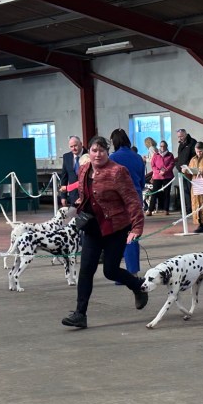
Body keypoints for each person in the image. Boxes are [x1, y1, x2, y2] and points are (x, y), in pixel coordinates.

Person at [61, 135, 147, 329]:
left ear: (108, 152)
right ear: (89, 151)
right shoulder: (84, 169)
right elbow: (84, 195)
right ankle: (80, 314)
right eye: (94, 150)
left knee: (110, 271)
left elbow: (132, 200)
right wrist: (75, 209)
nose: (98, 154)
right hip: (93, 228)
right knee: (86, 270)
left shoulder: (118, 171)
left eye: (101, 150)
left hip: (115, 227)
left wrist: (136, 227)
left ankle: (138, 286)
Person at [109, 128, 146, 201]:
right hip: (137, 194)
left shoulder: (112, 158)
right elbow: (142, 182)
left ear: (114, 142)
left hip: (121, 196)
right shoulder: (138, 157)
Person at [148, 140, 175, 215]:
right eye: (161, 146)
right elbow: (153, 165)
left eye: (164, 146)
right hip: (157, 177)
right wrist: (158, 171)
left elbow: (172, 164)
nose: (162, 147)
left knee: (167, 193)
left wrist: (165, 171)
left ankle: (166, 210)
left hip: (167, 176)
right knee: (154, 193)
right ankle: (150, 210)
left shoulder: (170, 155)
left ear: (166, 146)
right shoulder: (156, 155)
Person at [58, 135, 84, 207]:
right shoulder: (66, 157)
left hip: (86, 194)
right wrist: (63, 196)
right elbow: (64, 176)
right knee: (73, 213)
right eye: (71, 146)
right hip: (73, 195)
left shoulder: (88, 155)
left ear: (81, 144)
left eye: (75, 146)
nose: (73, 148)